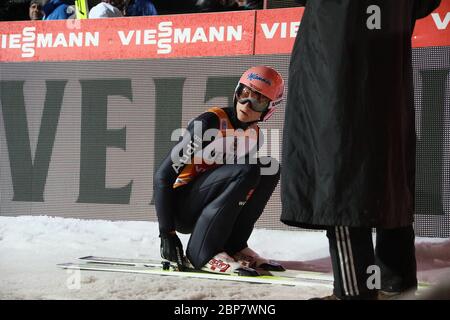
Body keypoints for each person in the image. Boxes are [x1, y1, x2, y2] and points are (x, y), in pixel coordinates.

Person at [281, 0, 441, 299]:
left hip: (337, 73)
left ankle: (354, 292)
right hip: (386, 73)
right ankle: (396, 285)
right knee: (386, 177)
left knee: (340, 177)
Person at [154, 66, 285, 275]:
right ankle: (202, 253)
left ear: (269, 108)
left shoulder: (255, 136)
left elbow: (239, 191)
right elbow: (163, 176)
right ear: (236, 92)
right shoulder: (209, 123)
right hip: (182, 206)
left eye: (258, 100)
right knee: (248, 170)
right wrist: (166, 233)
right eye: (245, 94)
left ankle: (235, 246)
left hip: (209, 204)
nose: (246, 104)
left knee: (270, 169)